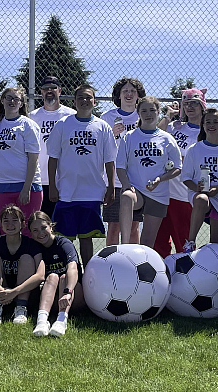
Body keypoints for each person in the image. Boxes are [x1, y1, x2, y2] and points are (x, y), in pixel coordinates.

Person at [46, 85, 116, 265]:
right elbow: (53, 158)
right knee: (64, 238)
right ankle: (69, 274)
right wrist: (53, 186)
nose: (84, 101)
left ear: (94, 101)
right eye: (80, 98)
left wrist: (111, 187)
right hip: (66, 192)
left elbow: (110, 160)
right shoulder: (63, 124)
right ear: (74, 101)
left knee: (86, 238)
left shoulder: (103, 127)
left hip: (92, 193)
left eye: (88, 97)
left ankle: (87, 275)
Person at [117, 96, 183, 247]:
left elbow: (178, 168)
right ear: (138, 113)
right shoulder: (130, 137)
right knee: (126, 196)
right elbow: (120, 166)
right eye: (144, 110)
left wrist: (160, 179)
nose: (148, 114)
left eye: (152, 110)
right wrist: (126, 185)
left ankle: (143, 267)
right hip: (136, 191)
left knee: (147, 242)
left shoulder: (166, 138)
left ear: (159, 112)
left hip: (158, 194)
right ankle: (124, 247)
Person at [155, 88, 205, 257]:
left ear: (202, 106)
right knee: (159, 242)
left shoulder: (206, 131)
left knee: (183, 243)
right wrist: (168, 115)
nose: (190, 107)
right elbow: (153, 136)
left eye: (195, 104)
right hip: (162, 192)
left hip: (184, 195)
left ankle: (185, 279)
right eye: (187, 104)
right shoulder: (175, 127)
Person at [0, 206, 44, 325]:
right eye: (6, 220)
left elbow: (40, 275)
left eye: (15, 220)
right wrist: (0, 290)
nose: (10, 224)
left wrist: (14, 292)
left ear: (22, 224)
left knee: (27, 258)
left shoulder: (31, 244)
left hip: (23, 293)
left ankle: (21, 309)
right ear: (1, 224)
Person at [102, 78, 146, 245]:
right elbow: (100, 147)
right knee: (114, 225)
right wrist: (111, 135)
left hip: (136, 179)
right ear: (118, 96)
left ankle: (133, 260)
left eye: (132, 91)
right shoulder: (108, 117)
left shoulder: (143, 116)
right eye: (125, 91)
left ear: (138, 96)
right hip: (114, 180)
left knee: (134, 225)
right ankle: (111, 261)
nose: (129, 94)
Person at [181, 108, 218, 252]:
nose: (211, 125)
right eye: (208, 122)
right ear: (202, 126)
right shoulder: (194, 149)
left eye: (215, 122)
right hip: (200, 195)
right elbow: (185, 177)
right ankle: (190, 242)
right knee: (202, 199)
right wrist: (196, 187)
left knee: (215, 246)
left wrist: (217, 188)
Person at [0, 87, 43, 235]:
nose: (12, 101)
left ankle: (29, 259)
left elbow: (33, 158)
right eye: (8, 98)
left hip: (26, 186)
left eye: (16, 99)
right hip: (2, 185)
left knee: (28, 230)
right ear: (2, 100)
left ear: (21, 103)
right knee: (5, 230)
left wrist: (26, 188)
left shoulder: (28, 125)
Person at [29, 211, 84, 337]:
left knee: (64, 277)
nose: (41, 233)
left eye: (44, 228)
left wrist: (68, 292)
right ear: (31, 233)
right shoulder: (34, 248)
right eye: (35, 230)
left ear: (51, 226)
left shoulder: (63, 244)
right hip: (52, 298)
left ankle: (61, 321)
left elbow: (73, 268)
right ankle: (42, 321)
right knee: (52, 276)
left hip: (72, 296)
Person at [28, 76, 77, 217]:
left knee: (63, 224)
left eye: (53, 88)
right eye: (45, 88)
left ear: (60, 91)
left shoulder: (71, 115)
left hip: (65, 180)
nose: (49, 91)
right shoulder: (32, 117)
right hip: (39, 179)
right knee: (39, 223)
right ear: (41, 92)